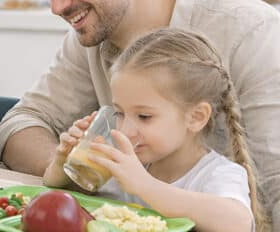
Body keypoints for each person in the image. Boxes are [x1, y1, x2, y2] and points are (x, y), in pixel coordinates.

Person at [0, 0, 280, 227]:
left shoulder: (249, 31)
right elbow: (20, 124)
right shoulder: (91, 35)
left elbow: (271, 188)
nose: (56, 6)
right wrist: (70, 164)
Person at [44, 28, 267, 232]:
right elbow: (55, 186)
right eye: (120, 113)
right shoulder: (122, 161)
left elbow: (237, 222)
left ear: (196, 117)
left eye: (144, 116)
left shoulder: (216, 175)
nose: (126, 130)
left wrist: (145, 185)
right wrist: (63, 161)